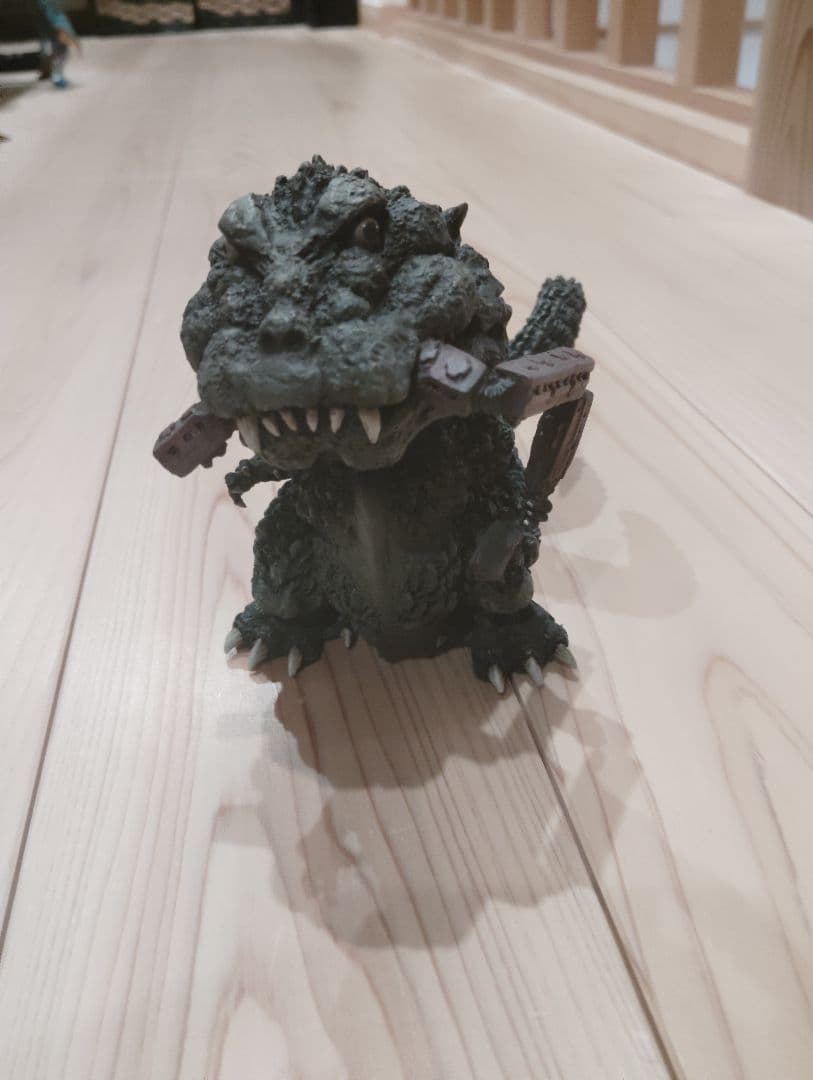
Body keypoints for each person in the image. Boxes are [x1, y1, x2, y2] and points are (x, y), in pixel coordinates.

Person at [0, 0, 80, 89]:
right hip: (51, 19)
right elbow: (54, 12)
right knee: (61, 49)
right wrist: (61, 26)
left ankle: (48, 71)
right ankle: (57, 76)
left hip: (43, 19)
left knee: (48, 45)